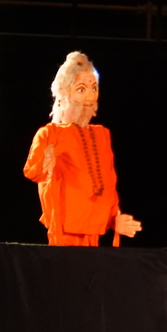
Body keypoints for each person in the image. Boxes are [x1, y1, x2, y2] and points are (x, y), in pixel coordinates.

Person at [21, 51, 141, 246]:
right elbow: (33, 172)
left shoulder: (102, 134)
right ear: (63, 94)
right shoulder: (50, 133)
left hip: (94, 226)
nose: (90, 96)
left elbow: (109, 181)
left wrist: (114, 219)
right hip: (65, 228)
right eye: (81, 89)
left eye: (94, 88)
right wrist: (46, 162)